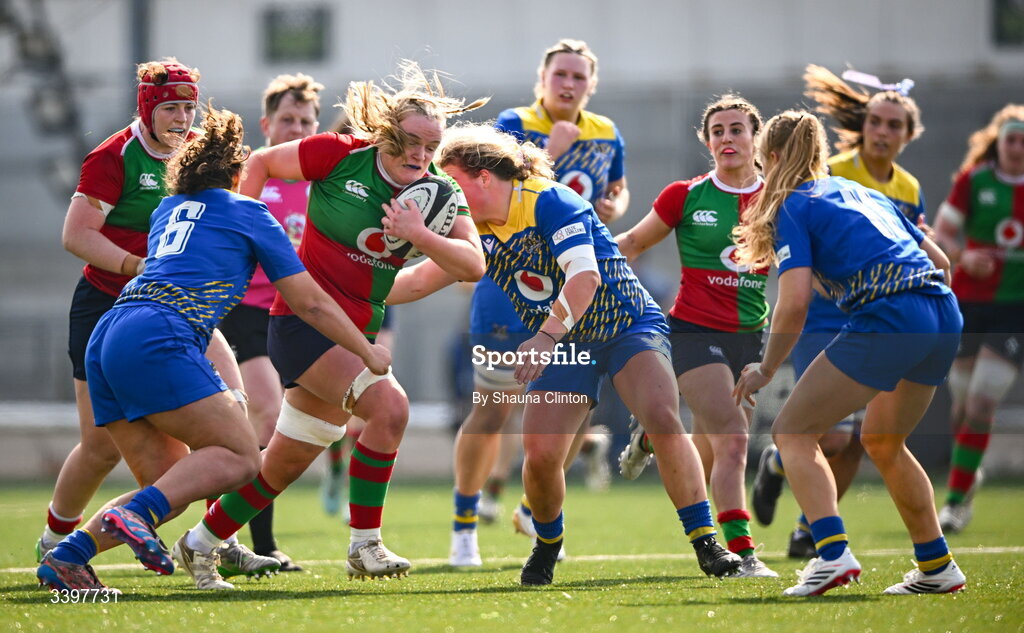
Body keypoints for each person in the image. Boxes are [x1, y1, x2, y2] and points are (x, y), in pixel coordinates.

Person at [37, 105, 390, 592]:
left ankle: (67, 557)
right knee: (242, 458)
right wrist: (367, 353)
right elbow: (309, 302)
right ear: (239, 171)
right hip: (161, 336)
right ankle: (138, 520)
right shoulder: (251, 212)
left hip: (111, 331)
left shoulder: (167, 209)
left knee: (172, 485)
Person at [172, 61, 487, 588]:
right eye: (410, 141)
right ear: (387, 131)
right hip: (300, 322)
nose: (420, 155)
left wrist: (420, 236)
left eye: (431, 146)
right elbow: (264, 163)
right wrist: (239, 235)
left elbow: (472, 264)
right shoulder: (341, 155)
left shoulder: (438, 193)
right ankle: (365, 545)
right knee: (390, 408)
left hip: (353, 331)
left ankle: (200, 541)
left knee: (282, 465)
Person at [390, 123, 741, 586]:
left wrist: (544, 338)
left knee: (661, 415)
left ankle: (706, 541)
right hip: (568, 341)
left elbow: (585, 279)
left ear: (482, 178)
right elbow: (418, 281)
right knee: (539, 455)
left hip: (624, 325)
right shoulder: (473, 227)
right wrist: (347, 296)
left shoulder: (548, 200)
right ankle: (547, 545)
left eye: (452, 183)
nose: (447, 197)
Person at [37, 59, 264, 576]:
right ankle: (55, 539)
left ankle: (212, 538)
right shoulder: (114, 156)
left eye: (189, 107)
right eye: (170, 108)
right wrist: (137, 265)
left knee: (220, 428)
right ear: (147, 108)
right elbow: (76, 235)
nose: (182, 118)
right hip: (107, 308)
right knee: (99, 448)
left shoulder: (199, 154)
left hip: (178, 309)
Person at [732, 110, 966, 596]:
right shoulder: (866, 192)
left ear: (771, 158)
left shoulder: (793, 204)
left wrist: (766, 368)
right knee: (883, 440)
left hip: (893, 316)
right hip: (943, 313)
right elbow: (941, 260)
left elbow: (793, 303)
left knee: (791, 432)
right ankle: (937, 566)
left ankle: (832, 555)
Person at [448, 38, 622, 567]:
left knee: (574, 409)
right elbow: (508, 182)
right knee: (492, 410)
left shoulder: (609, 132)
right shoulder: (513, 121)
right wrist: (559, 145)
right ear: (541, 80)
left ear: (591, 84)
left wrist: (615, 203)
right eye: (559, 74)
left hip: (570, 292)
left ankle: (533, 508)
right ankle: (464, 527)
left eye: (578, 76)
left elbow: (616, 185)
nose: (568, 83)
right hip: (509, 291)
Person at [751, 66, 928, 558]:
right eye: (876, 121)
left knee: (857, 440)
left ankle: (815, 533)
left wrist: (765, 368)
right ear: (860, 126)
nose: (883, 132)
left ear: (908, 135)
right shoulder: (835, 173)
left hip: (880, 315)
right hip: (843, 316)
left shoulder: (906, 189)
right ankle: (931, 562)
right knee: (837, 434)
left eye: (895, 125)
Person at [614, 95, 776, 578]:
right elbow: (634, 242)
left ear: (755, 137)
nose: (727, 138)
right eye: (718, 131)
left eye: (737, 129)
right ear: (707, 142)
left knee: (712, 445)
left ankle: (652, 436)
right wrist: (578, 256)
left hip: (751, 336)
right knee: (734, 441)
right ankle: (743, 555)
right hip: (693, 330)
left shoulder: (779, 199)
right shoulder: (685, 195)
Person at [216, 73, 324, 572]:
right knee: (266, 412)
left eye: (305, 120)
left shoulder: (325, 186)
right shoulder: (247, 178)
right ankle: (257, 543)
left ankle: (233, 536)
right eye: (287, 119)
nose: (296, 127)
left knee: (286, 426)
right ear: (266, 124)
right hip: (243, 311)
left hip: (298, 317)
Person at [933, 104, 1024, 533]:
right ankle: (970, 474)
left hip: (1014, 311)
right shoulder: (975, 182)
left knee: (982, 403)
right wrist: (964, 255)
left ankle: (953, 502)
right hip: (967, 304)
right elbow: (942, 234)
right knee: (961, 410)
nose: (1018, 147)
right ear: (999, 141)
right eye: (1012, 139)